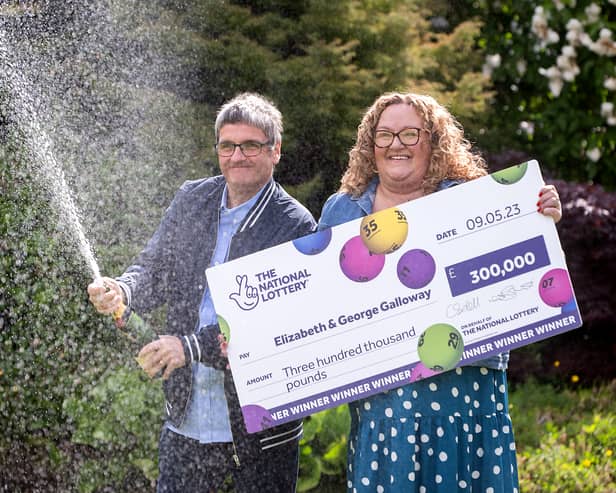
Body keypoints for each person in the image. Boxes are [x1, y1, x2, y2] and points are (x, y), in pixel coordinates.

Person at [317, 92, 562, 492]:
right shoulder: (342, 210)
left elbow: (520, 271)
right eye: (384, 135)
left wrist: (541, 216)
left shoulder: (474, 198)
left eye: (410, 134)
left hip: (463, 396)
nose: (396, 144)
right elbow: (316, 299)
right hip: (384, 405)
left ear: (433, 141)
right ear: (370, 144)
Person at [87, 92, 316, 493]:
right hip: (187, 415)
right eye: (227, 145)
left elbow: (276, 324)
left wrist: (189, 347)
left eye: (250, 145)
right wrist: (122, 288)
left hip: (261, 427)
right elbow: (153, 268)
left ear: (275, 150)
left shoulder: (294, 223)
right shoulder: (192, 199)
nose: (237, 156)